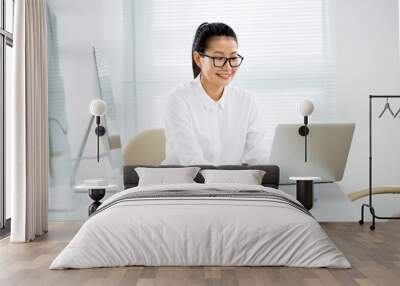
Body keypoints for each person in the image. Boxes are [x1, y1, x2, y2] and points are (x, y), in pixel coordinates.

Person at [162, 22, 269, 165]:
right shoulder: (178, 99)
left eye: (233, 58)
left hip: (234, 185)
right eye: (219, 58)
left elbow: (259, 159)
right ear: (198, 59)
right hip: (186, 185)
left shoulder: (246, 101)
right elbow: (193, 162)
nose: (228, 66)